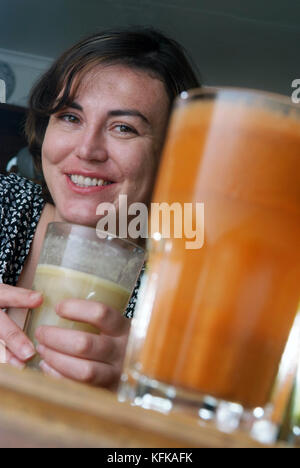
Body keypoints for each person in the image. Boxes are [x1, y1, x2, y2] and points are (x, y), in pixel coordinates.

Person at [0, 27, 200, 389]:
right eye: (70, 117)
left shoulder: (184, 285)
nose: (88, 150)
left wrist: (138, 383)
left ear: (171, 154)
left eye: (123, 128)